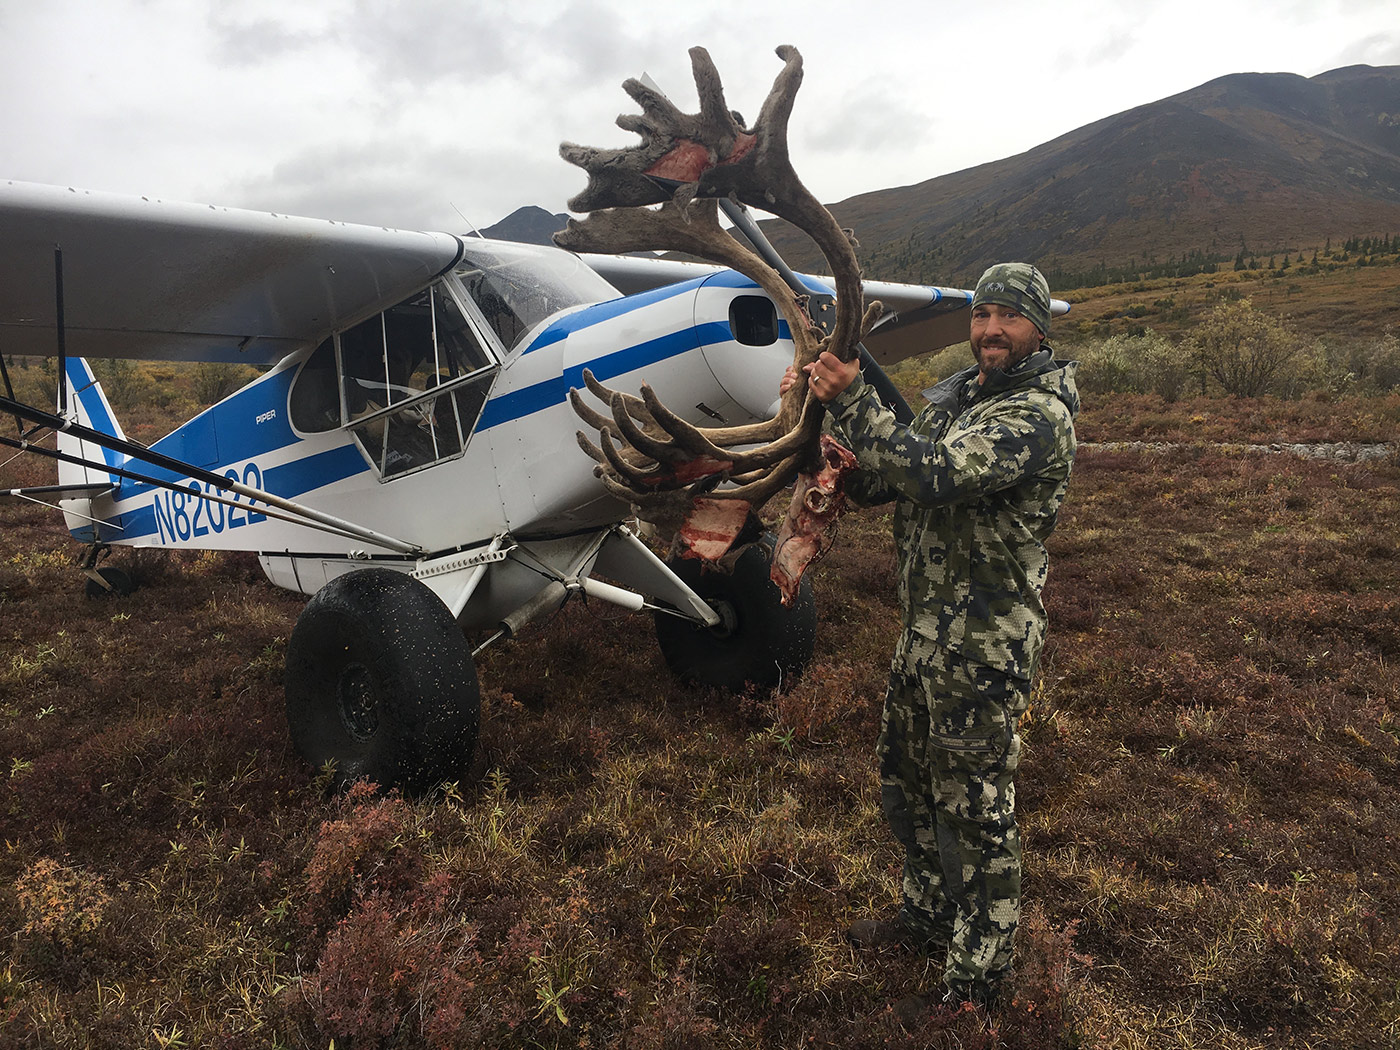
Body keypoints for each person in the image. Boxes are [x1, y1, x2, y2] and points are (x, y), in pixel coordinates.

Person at [782, 262, 1079, 1009]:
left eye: (1009, 317)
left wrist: (856, 397)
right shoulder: (960, 398)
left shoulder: (1038, 415)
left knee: (974, 806)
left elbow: (935, 475)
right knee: (907, 784)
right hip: (924, 636)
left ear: (1039, 329)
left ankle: (978, 980)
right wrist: (825, 417)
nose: (990, 331)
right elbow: (886, 479)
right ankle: (927, 916)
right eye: (982, 315)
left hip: (985, 647)